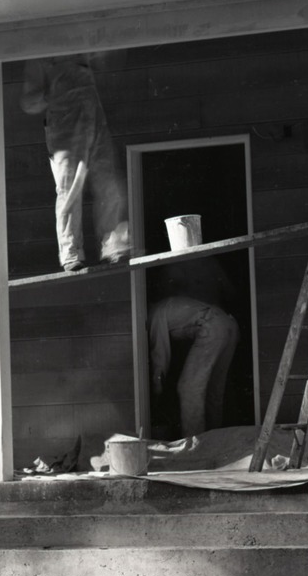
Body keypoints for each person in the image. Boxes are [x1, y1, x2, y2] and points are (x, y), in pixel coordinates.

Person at [21, 55, 130, 272]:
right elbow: (28, 102)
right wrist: (54, 93)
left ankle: (113, 246)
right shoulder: (39, 56)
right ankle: (71, 253)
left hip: (94, 120)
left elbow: (107, 62)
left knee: (109, 185)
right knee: (69, 190)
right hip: (64, 128)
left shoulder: (81, 44)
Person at [149, 295, 241, 435]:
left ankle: (194, 443)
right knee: (214, 391)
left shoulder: (155, 314)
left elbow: (160, 355)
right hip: (230, 325)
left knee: (188, 389)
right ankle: (214, 440)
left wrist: (157, 387)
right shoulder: (168, 305)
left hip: (212, 325)